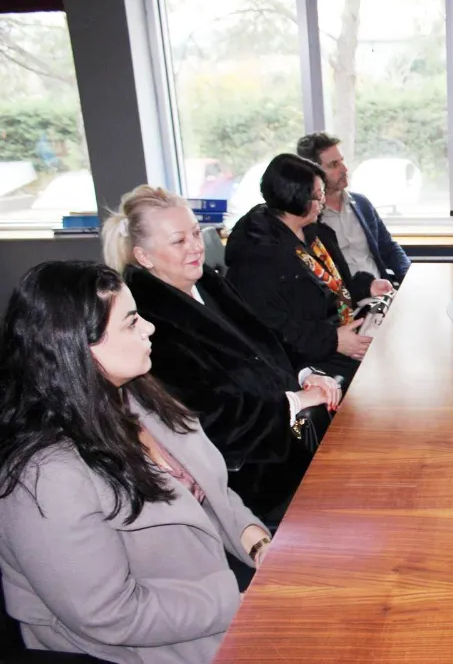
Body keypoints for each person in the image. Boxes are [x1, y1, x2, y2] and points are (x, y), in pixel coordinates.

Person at [0, 261, 271, 663]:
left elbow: (211, 489)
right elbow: (110, 614)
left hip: (216, 580)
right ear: (76, 346)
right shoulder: (46, 477)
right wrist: (240, 598)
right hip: (150, 643)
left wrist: (258, 543)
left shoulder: (135, 396)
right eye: (131, 323)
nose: (149, 328)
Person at [101, 185, 342, 525]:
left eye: (195, 233)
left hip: (294, 441)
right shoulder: (148, 323)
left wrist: (306, 373)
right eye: (179, 241)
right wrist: (294, 402)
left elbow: (266, 340)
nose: (195, 247)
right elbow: (206, 421)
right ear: (144, 257)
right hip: (254, 479)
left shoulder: (208, 283)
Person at [225, 154, 394, 387]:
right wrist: (333, 341)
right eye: (318, 195)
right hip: (307, 361)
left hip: (339, 332)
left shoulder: (314, 234)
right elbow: (273, 333)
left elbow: (331, 291)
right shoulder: (257, 261)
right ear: (297, 199)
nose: (323, 200)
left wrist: (366, 287)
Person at [296, 132, 411, 283]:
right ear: (313, 173)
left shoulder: (361, 203)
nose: (344, 169)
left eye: (342, 161)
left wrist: (410, 277)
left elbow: (389, 248)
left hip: (383, 290)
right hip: (343, 295)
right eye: (334, 165)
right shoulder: (307, 217)